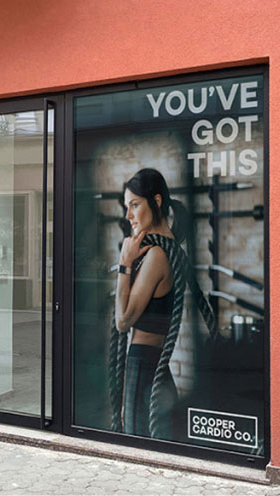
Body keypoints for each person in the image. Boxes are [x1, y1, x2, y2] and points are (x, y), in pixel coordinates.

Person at [114, 168, 190, 439]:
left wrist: (125, 264)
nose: (128, 215)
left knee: (137, 444)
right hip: (156, 365)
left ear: (156, 202)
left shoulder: (158, 255)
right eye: (127, 207)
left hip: (143, 364)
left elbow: (122, 322)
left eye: (135, 205)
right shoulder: (170, 248)